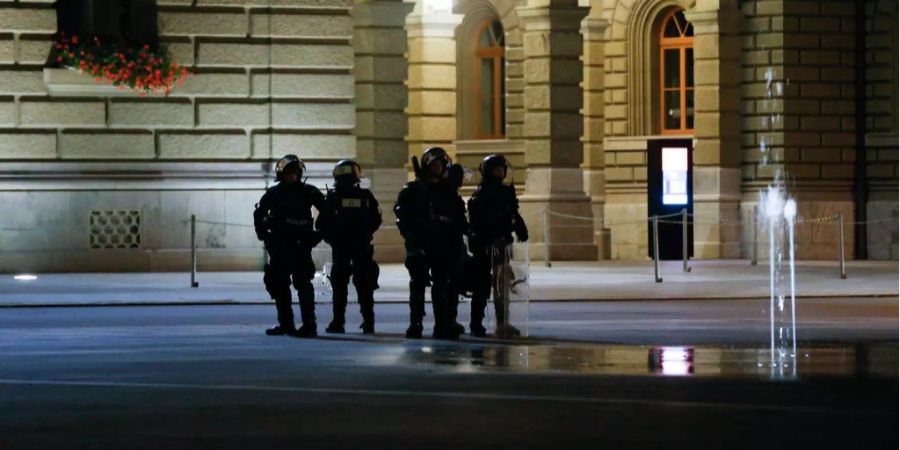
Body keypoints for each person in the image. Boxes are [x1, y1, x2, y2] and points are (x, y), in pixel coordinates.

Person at [394, 147, 468, 339]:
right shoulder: (413, 190)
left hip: (443, 246)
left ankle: (444, 323)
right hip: (420, 245)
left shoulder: (448, 191)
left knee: (444, 286)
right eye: (433, 165)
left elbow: (459, 219)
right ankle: (415, 324)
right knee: (418, 285)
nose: (437, 168)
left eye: (440, 165)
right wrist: (414, 235)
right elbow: (402, 217)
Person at [253, 154, 327, 338]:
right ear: (282, 175)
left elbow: (328, 212)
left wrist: (318, 234)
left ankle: (309, 325)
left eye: (295, 173)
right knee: (278, 284)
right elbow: (259, 214)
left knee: (303, 284)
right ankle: (286, 324)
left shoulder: (309, 192)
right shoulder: (273, 194)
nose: (293, 177)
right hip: (279, 246)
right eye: (289, 174)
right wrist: (265, 236)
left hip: (301, 246)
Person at [317, 160, 382, 335]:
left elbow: (322, 224)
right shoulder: (365, 196)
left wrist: (333, 239)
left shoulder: (333, 197)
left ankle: (338, 322)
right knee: (364, 285)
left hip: (342, 247)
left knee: (340, 285)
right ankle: (368, 323)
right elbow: (376, 219)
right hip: (360, 246)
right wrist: (366, 234)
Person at [467, 154, 528, 338]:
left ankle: (503, 323)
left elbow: (512, 213)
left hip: (502, 244)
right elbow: (477, 223)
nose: (501, 172)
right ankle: (476, 323)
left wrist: (519, 227)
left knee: (502, 287)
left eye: (503, 169)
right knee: (482, 285)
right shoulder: (481, 194)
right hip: (486, 245)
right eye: (497, 169)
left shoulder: (505, 192)